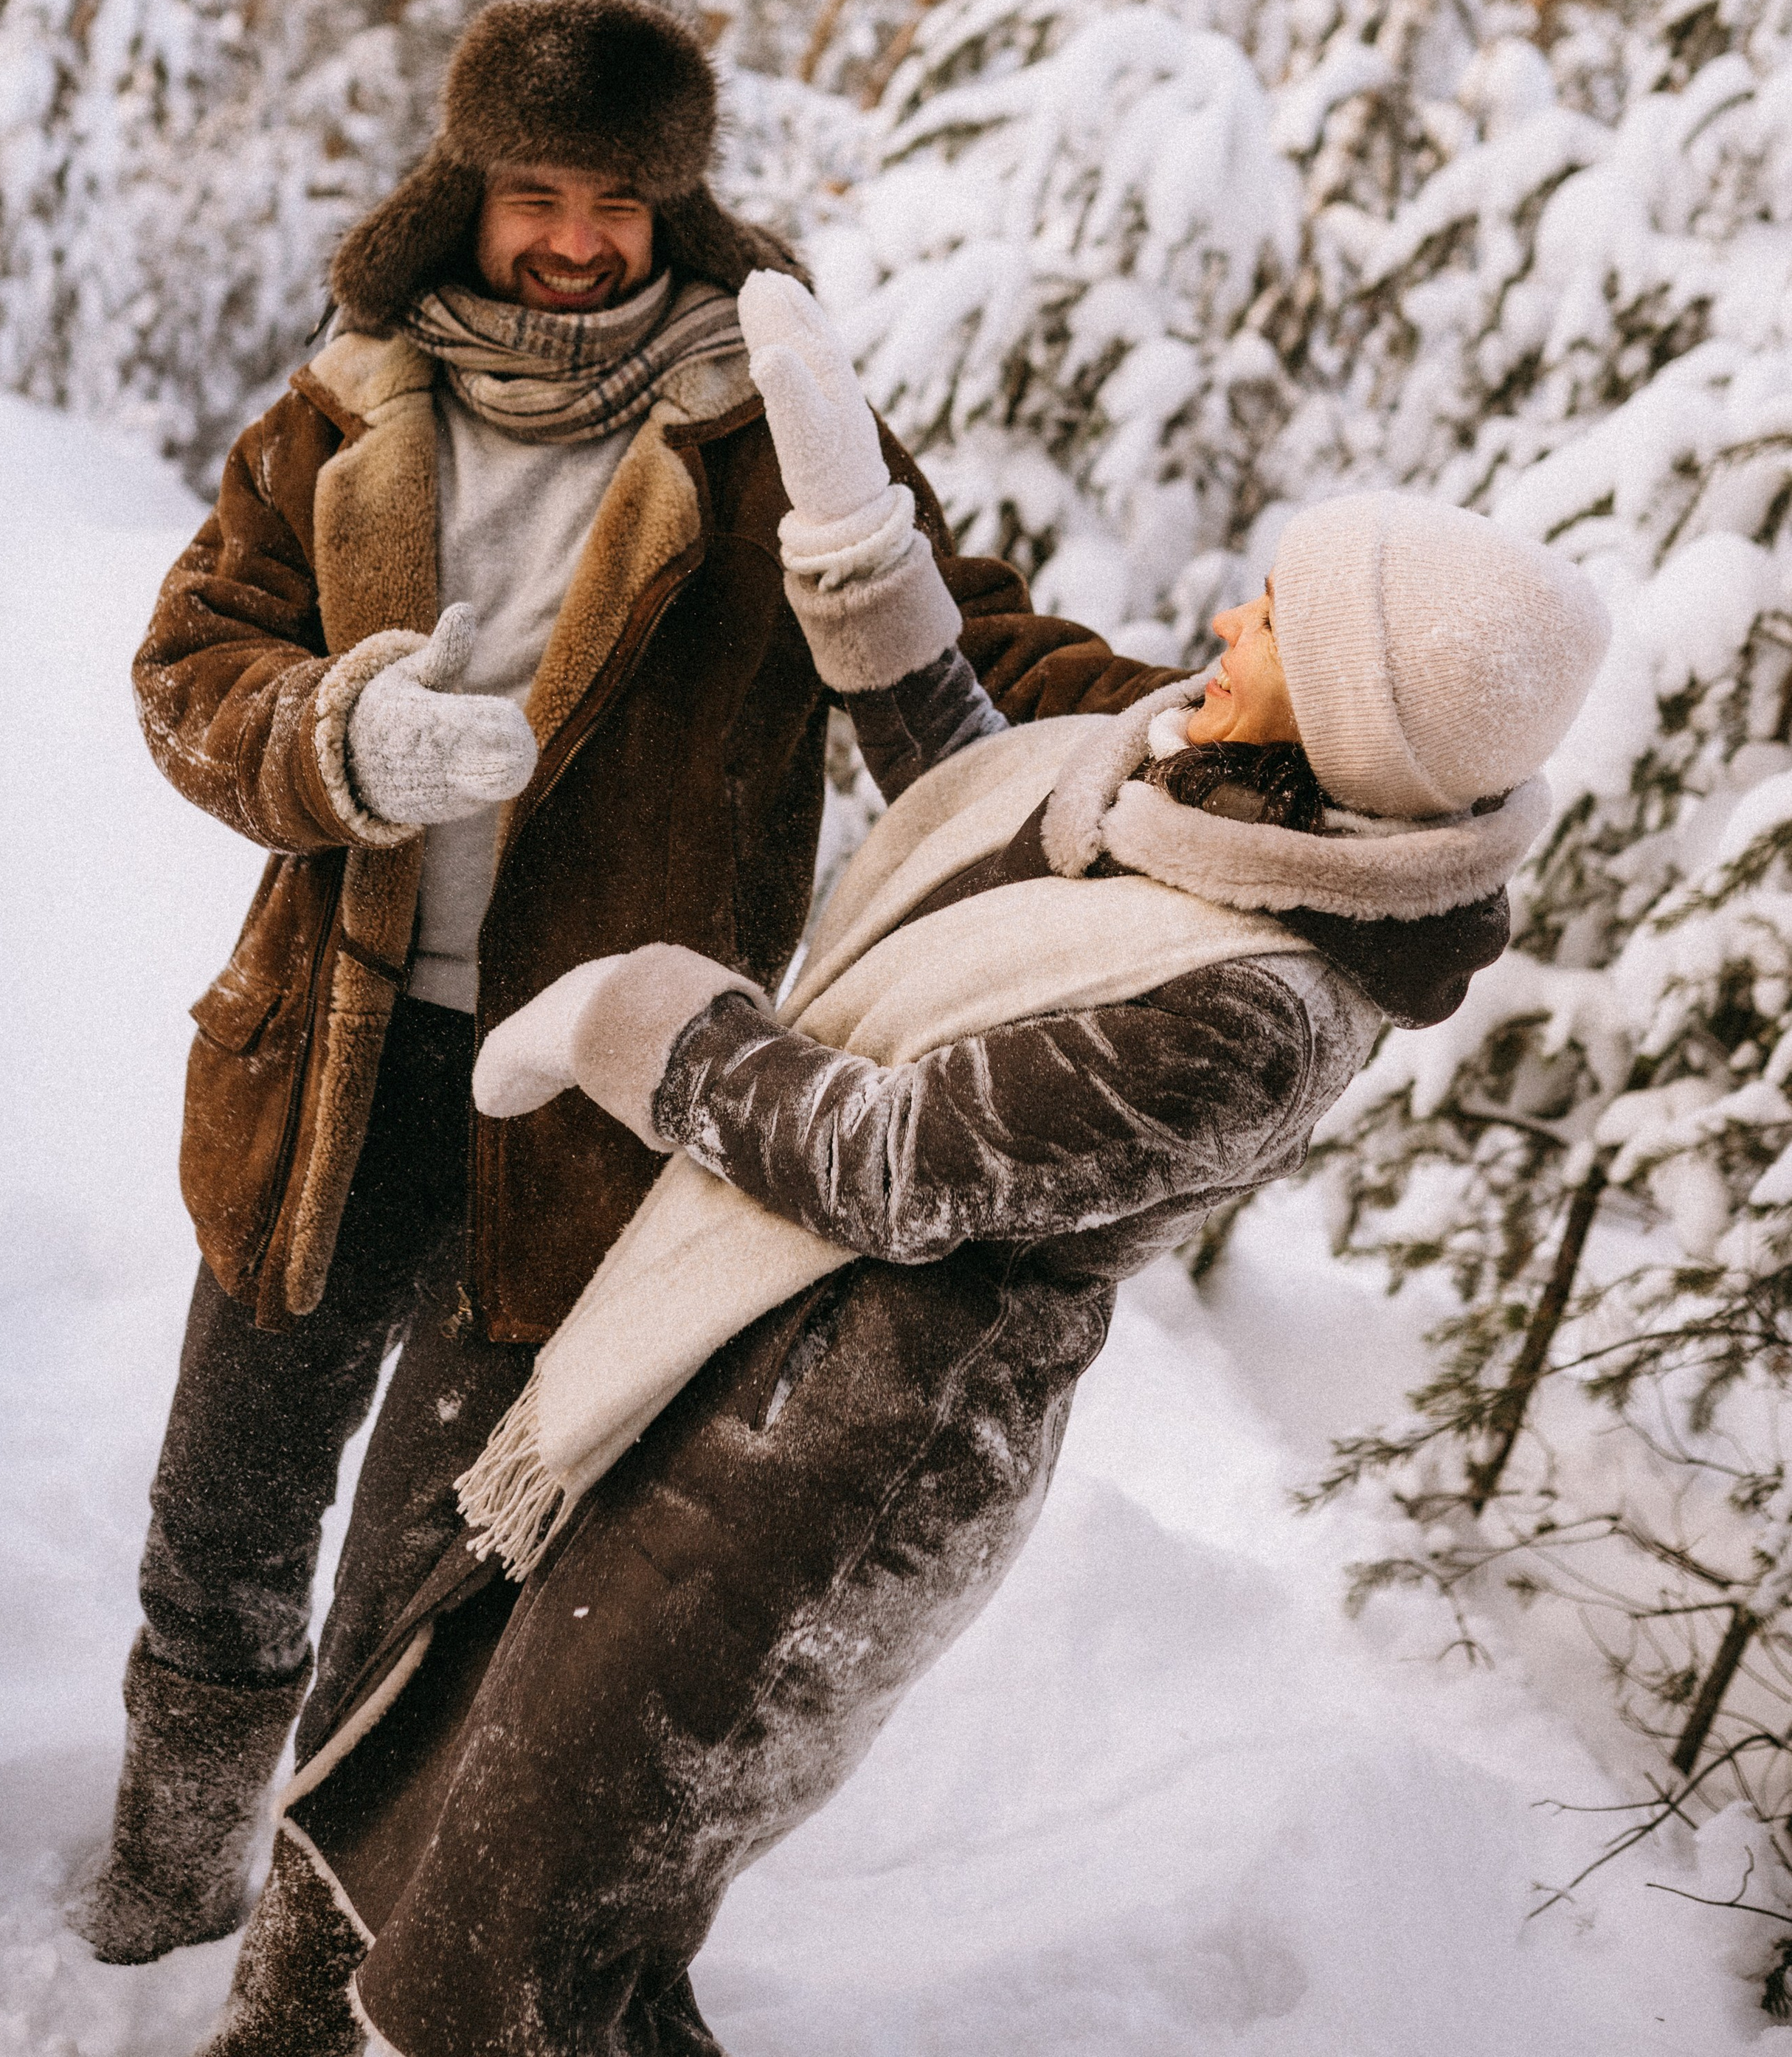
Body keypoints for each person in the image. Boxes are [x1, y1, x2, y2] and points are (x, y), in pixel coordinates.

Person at [197, 275, 1611, 2057]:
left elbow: (894, 1163)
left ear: (1350, 719)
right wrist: (859, 538)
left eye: (1279, 620)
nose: (1231, 615)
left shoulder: (1258, 1005)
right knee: (459, 1791)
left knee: (545, 1920)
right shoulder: (1180, 796)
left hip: (828, 1478)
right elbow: (973, 782)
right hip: (727, 1369)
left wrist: (644, 1023)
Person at [73, 0, 1171, 1967]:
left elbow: (971, 637)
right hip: (318, 1084)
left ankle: (301, 2000)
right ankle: (156, 1900)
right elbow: (190, 665)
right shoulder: (347, 399)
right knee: (221, 1537)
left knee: (426, 1596)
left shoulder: (765, 421)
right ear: (469, 186)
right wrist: (331, 741)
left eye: (621, 199)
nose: (576, 237)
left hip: (585, 1118)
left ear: (680, 203)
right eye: (535, 193)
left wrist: (1190, 731)